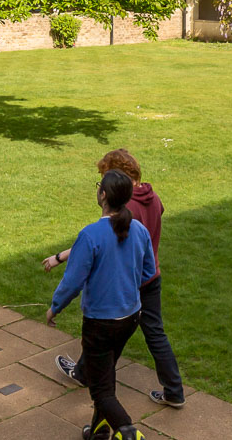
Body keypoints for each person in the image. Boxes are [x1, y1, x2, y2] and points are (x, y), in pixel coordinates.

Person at [46, 169, 167, 440]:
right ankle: (99, 436)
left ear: (102, 196)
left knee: (102, 390)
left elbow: (72, 281)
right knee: (106, 373)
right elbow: (147, 271)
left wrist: (54, 309)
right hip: (130, 319)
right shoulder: (139, 229)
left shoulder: (91, 235)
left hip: (100, 323)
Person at [47, 149, 184, 407]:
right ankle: (174, 390)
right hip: (150, 275)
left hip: (128, 280)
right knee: (155, 334)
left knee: (102, 329)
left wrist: (60, 258)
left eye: (105, 176)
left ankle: (91, 383)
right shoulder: (153, 198)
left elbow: (100, 241)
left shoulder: (125, 207)